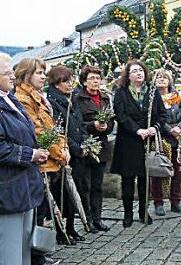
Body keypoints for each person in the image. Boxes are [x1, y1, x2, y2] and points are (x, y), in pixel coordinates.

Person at [15, 57, 69, 265]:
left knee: (42, 211)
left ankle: (39, 254)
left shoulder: (38, 97)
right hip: (39, 163)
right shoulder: (23, 99)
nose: (43, 77)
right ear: (26, 74)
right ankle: (35, 257)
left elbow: (52, 127)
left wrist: (62, 147)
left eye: (43, 72)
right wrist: (60, 152)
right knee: (36, 213)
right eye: (39, 73)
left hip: (50, 161)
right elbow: (38, 131)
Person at [0, 53, 48, 265]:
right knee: (10, 251)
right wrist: (31, 154)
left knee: (23, 249)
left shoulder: (10, 99)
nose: (13, 76)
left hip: (24, 186)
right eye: (7, 72)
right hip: (7, 189)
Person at [111, 60, 167, 228]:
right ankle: (127, 213)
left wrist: (154, 128)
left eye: (141, 70)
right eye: (135, 71)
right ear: (128, 75)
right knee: (128, 180)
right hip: (128, 141)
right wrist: (137, 130)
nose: (139, 73)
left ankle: (144, 211)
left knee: (144, 179)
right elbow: (121, 116)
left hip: (147, 141)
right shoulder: (121, 93)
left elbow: (162, 115)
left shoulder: (152, 92)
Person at [46, 65, 87, 243]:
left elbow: (81, 123)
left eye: (71, 80)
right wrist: (74, 147)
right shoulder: (53, 101)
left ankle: (71, 227)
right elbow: (58, 130)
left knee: (75, 191)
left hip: (77, 153)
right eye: (65, 81)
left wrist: (85, 142)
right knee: (63, 194)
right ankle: (61, 230)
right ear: (56, 84)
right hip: (65, 153)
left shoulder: (72, 99)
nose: (70, 84)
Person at [75, 65, 115, 232]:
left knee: (98, 186)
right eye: (92, 78)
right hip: (86, 146)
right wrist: (93, 125)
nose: (96, 81)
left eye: (98, 78)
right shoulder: (78, 98)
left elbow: (112, 121)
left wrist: (106, 126)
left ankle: (97, 218)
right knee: (86, 185)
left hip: (102, 147)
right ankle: (88, 220)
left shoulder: (105, 98)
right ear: (84, 81)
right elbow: (76, 123)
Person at [151, 68, 181, 216]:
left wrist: (179, 127)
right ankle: (158, 202)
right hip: (161, 137)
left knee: (176, 170)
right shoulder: (152, 98)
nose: (161, 79)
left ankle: (176, 201)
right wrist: (169, 129)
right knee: (157, 170)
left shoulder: (177, 96)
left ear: (169, 80)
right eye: (158, 77)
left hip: (177, 137)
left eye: (164, 77)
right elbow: (156, 117)